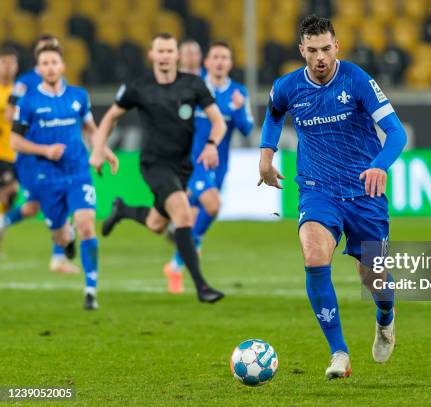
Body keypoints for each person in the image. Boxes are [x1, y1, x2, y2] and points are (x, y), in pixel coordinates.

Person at [258, 15, 407, 379]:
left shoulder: (357, 80)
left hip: (364, 191)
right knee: (314, 255)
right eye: (312, 51)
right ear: (302, 51)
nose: (320, 57)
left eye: (326, 48)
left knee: (373, 274)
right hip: (317, 189)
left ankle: (385, 318)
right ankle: (339, 352)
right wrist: (266, 155)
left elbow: (396, 133)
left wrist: (379, 165)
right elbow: (274, 113)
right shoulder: (288, 86)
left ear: (336, 46)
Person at [90, 33, 227, 303]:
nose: (165, 56)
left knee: (156, 223)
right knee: (184, 215)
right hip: (154, 164)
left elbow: (218, 122)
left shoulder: (193, 85)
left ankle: (123, 210)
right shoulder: (139, 87)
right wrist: (98, 151)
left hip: (183, 166)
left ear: (177, 55)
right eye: (160, 51)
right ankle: (202, 286)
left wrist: (212, 144)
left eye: (169, 51)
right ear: (152, 55)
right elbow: (109, 119)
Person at [10, 43, 117, 310]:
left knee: (86, 224)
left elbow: (91, 129)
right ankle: (65, 238)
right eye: (44, 63)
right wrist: (44, 149)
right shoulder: (29, 102)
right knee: (61, 236)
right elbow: (14, 141)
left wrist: (104, 150)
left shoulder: (79, 96)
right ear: (39, 68)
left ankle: (91, 289)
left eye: (53, 62)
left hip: (78, 171)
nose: (49, 67)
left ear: (62, 66)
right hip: (47, 177)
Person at [163, 40, 253, 294]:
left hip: (219, 165)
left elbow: (247, 129)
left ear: (230, 63)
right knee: (213, 205)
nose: (221, 61)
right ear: (207, 62)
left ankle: (175, 267)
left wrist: (237, 110)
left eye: (225, 57)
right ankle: (191, 245)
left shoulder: (238, 92)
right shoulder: (194, 87)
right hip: (192, 162)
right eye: (216, 57)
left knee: (191, 219)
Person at [1, 34, 79, 273]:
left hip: (57, 152)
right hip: (32, 154)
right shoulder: (25, 83)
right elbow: (10, 115)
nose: (49, 59)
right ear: (37, 56)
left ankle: (4, 222)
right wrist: (34, 123)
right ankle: (59, 254)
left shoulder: (62, 82)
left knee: (34, 205)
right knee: (51, 199)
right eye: (44, 53)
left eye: (53, 51)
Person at [0, 46, 19, 242]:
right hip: (1, 153)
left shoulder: (19, 92)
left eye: (11, 62)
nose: (7, 66)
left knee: (11, 196)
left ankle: (1, 222)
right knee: (10, 188)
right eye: (4, 62)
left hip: (16, 153)